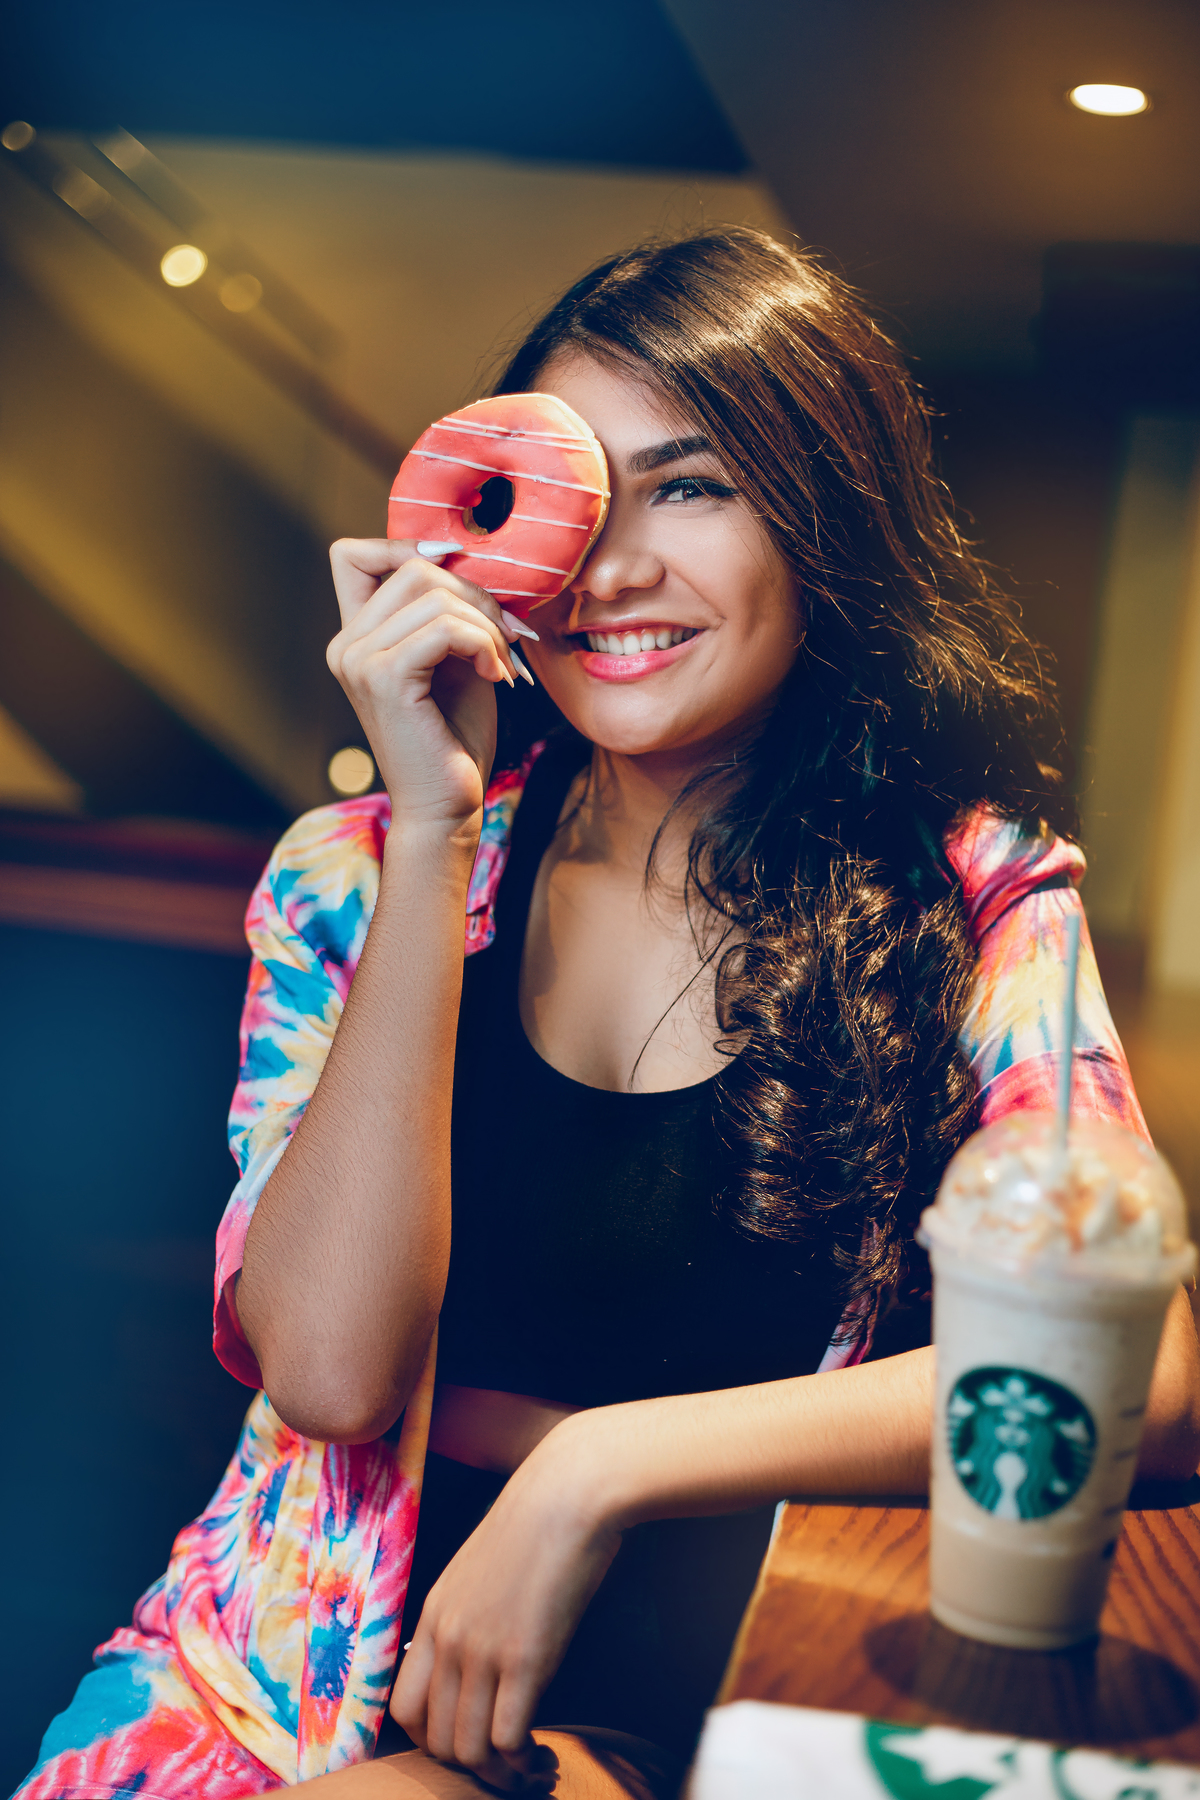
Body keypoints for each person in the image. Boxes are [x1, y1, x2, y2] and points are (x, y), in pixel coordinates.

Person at [21, 229, 1200, 1800]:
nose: (616, 568)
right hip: (264, 1683)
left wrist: (606, 1465)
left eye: (693, 486)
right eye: (570, 499)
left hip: (670, 1704)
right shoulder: (353, 878)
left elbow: (1138, 1373)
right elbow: (329, 1375)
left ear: (822, 522)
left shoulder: (975, 900)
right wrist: (436, 833)